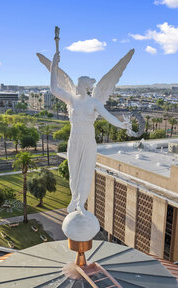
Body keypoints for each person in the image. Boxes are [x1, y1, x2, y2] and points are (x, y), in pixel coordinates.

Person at [50, 51, 132, 214]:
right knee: (74, 172)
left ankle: (81, 203)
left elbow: (108, 116)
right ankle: (74, 198)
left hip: (88, 141)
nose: (76, 87)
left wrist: (121, 125)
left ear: (84, 86)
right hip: (74, 140)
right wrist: (53, 66)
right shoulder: (71, 99)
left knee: (86, 172)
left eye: (79, 84)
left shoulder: (94, 102)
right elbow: (54, 89)